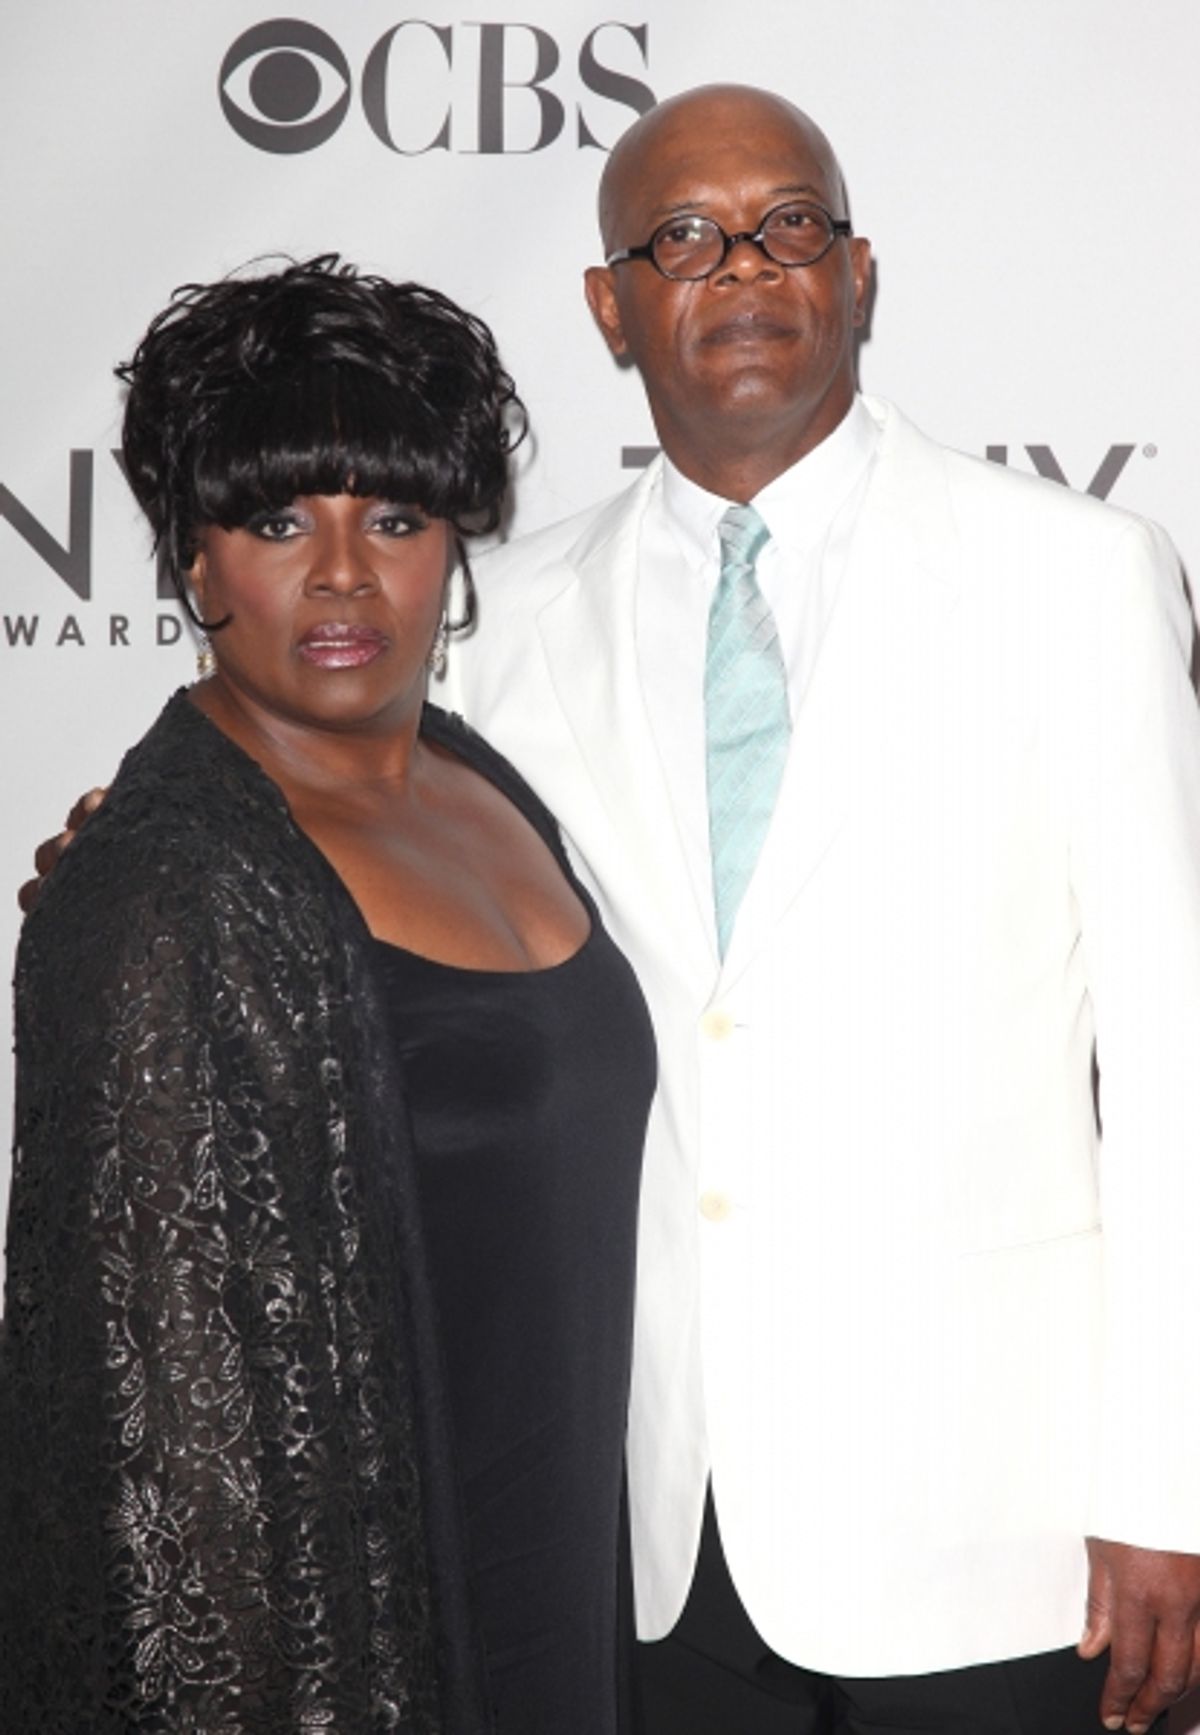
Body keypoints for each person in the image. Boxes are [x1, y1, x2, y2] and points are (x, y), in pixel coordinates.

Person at [441, 86, 1200, 1735]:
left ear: (858, 272)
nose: (747, 267)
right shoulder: (500, 637)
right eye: (685, 238)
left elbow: (1174, 1063)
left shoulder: (1075, 575)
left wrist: (1175, 1486)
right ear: (609, 306)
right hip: (652, 1524)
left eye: (792, 224)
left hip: (1005, 1531)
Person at [0, 256, 654, 1734]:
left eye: (398, 519)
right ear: (188, 557)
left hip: (565, 1589)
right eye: (281, 519)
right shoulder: (166, 891)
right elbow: (168, 1458)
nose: (346, 573)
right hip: (360, 1657)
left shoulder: (494, 790)